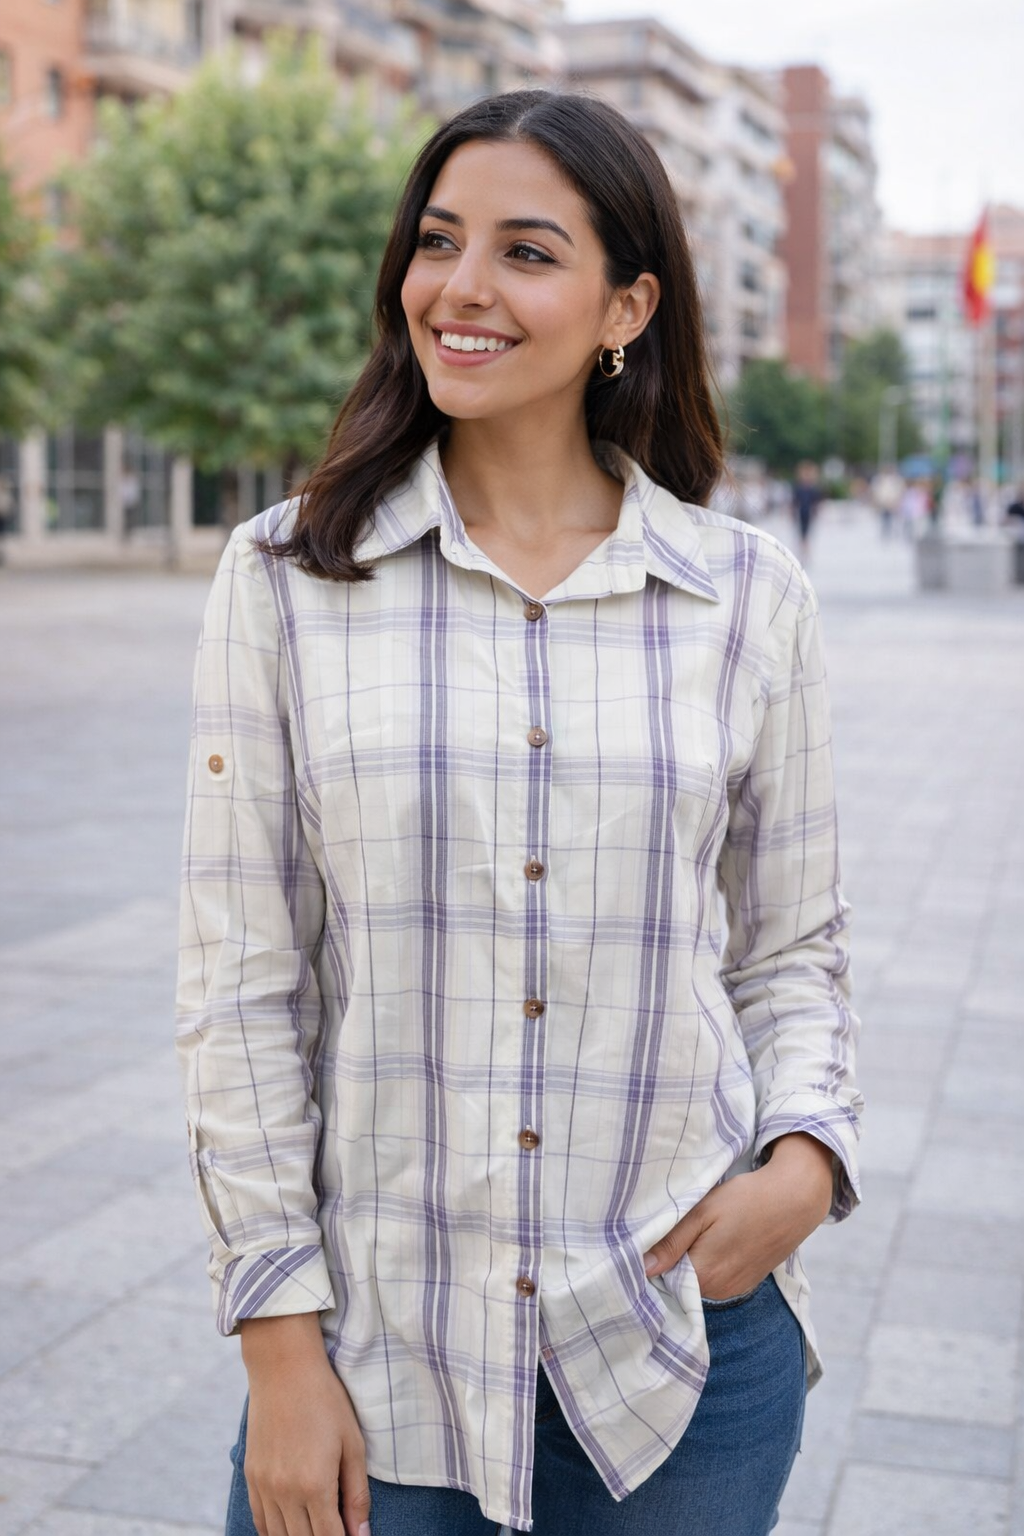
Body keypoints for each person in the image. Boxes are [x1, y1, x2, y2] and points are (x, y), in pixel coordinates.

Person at [177, 90, 862, 1536]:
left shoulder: (748, 598)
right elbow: (242, 987)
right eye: (437, 242)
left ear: (628, 307)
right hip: (378, 1363)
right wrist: (278, 1349)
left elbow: (793, 949)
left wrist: (803, 1164)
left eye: (526, 252)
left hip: (678, 1355)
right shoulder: (286, 579)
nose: (460, 288)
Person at [790, 460, 823, 563]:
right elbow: (794, 502)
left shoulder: (812, 489)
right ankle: (803, 552)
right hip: (801, 513)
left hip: (808, 514)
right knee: (801, 534)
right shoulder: (799, 488)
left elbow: (816, 503)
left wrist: (816, 512)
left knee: (806, 534)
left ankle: (805, 553)